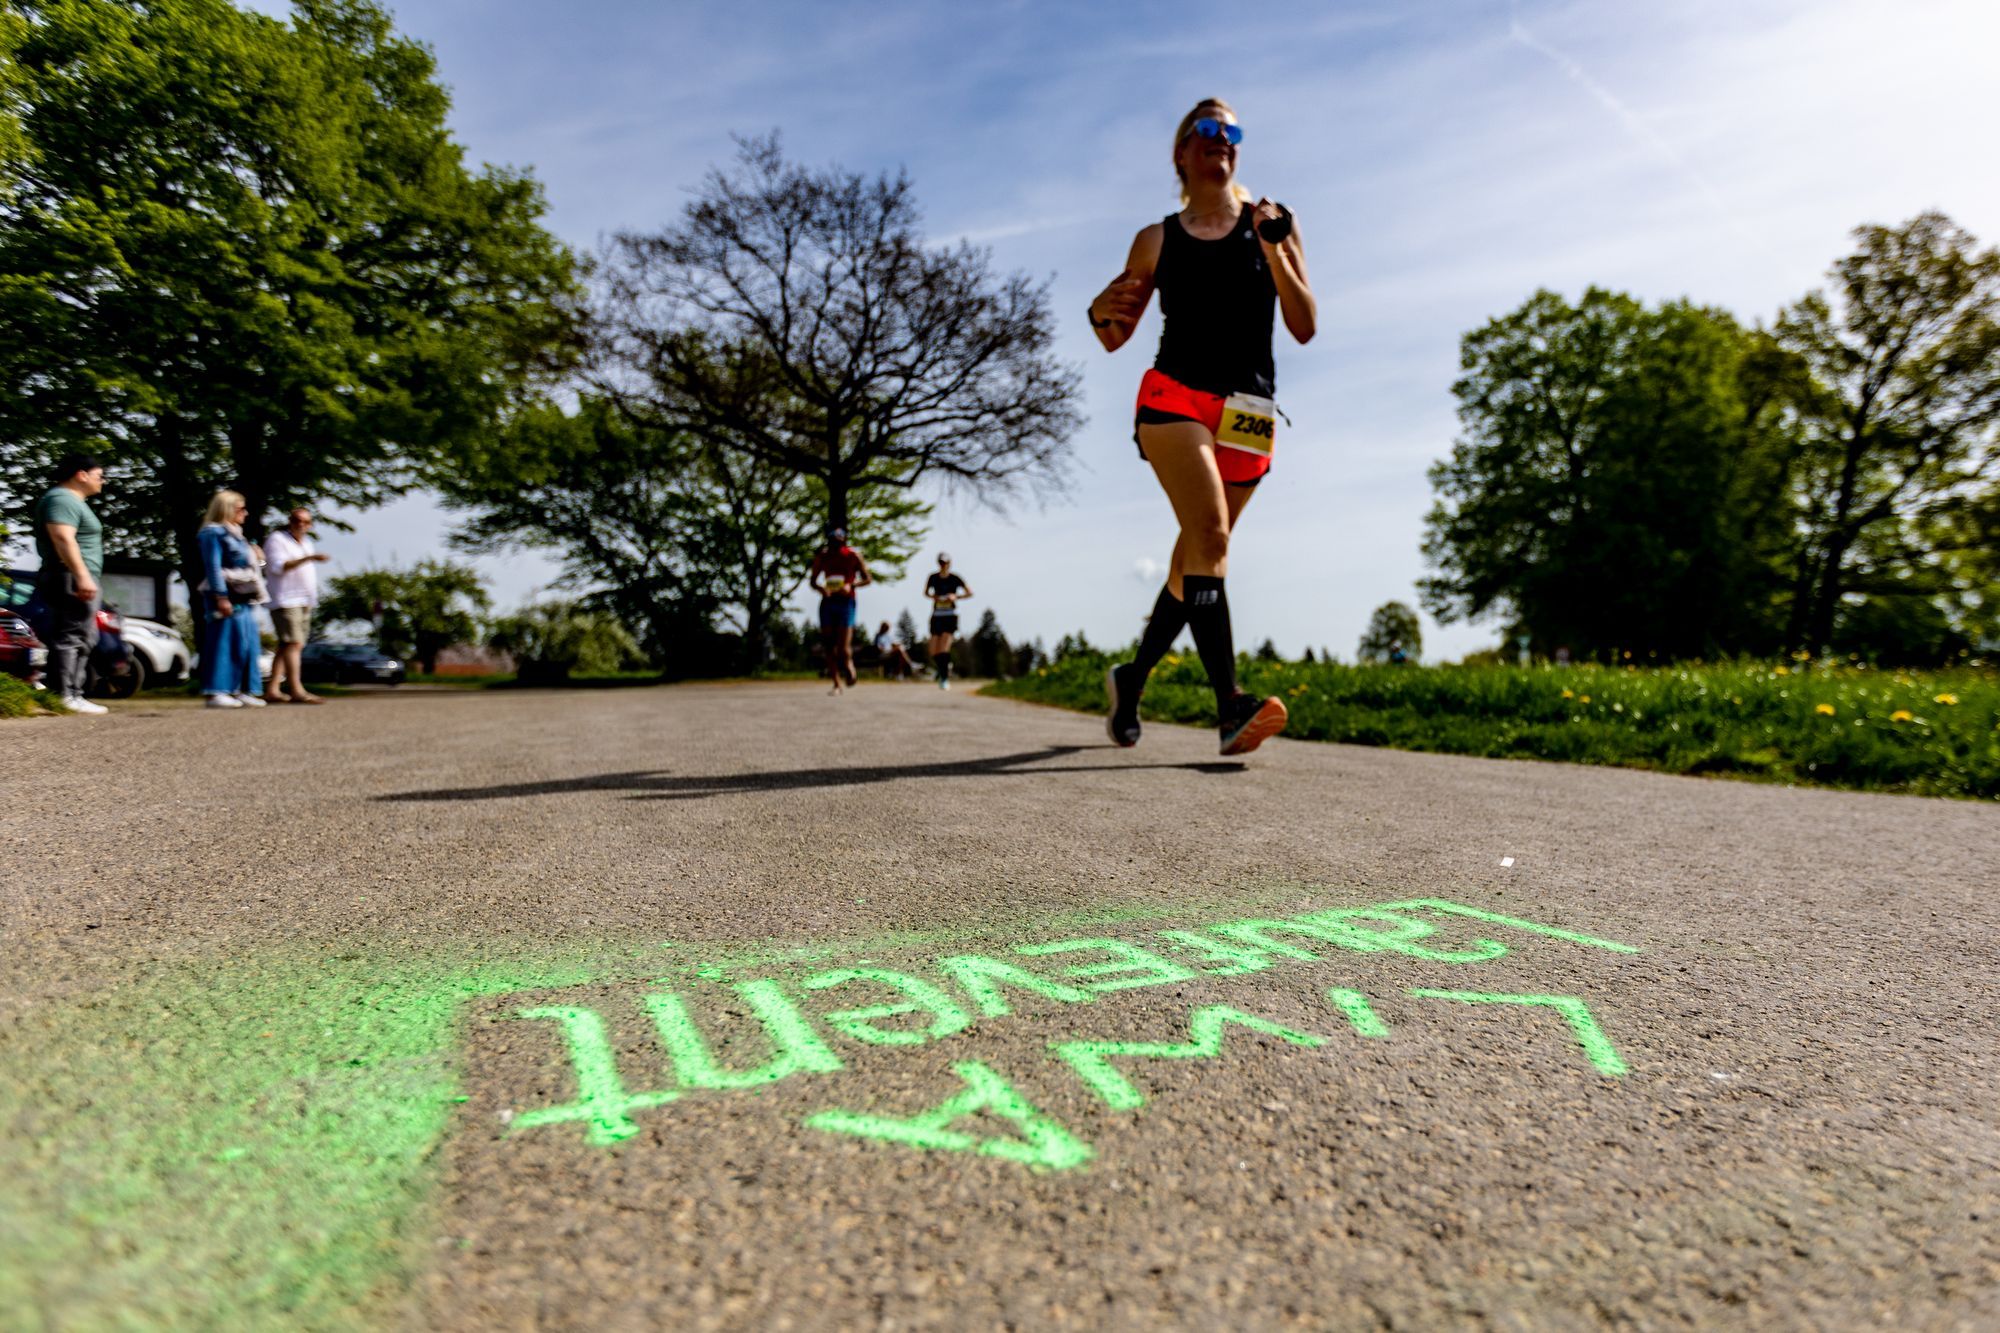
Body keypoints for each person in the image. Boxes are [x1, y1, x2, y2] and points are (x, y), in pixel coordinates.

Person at [1086, 97, 1316, 756]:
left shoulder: (1274, 222)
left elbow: (1303, 325)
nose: (1221, 138)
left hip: (1249, 410)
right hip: (1174, 396)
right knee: (1210, 535)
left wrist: (1276, 251)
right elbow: (1113, 335)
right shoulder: (1156, 239)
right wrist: (1097, 310)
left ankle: (1131, 680)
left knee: (1196, 560)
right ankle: (1231, 707)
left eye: (1231, 131)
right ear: (1182, 153)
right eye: (1206, 129)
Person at [31, 454, 109, 715]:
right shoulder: (61, 499)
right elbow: (62, 538)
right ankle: (64, 694)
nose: (103, 481)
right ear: (81, 474)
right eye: (100, 475)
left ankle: (74, 693)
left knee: (84, 636)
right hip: (69, 576)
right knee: (72, 635)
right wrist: (82, 575)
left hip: (76, 575)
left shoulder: (71, 501)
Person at [196, 490, 268, 708]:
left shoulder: (238, 534)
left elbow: (251, 567)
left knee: (247, 643)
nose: (245, 513)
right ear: (227, 509)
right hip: (226, 594)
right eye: (240, 509)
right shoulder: (213, 533)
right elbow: (213, 567)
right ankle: (216, 690)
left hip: (244, 595)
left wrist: (258, 558)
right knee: (224, 642)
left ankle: (242, 689)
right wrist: (221, 596)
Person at [262, 507, 330, 703]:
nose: (300, 524)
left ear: (310, 525)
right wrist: (309, 558)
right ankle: (296, 689)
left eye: (305, 522)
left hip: (304, 600)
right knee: (294, 644)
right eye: (296, 520)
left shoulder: (306, 542)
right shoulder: (277, 539)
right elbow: (278, 567)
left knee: (286, 646)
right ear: (289, 521)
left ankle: (273, 689)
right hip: (285, 599)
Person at [808, 527, 871, 695]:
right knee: (829, 645)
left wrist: (851, 585)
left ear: (843, 540)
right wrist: (821, 589)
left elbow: (867, 579)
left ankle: (849, 667)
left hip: (846, 602)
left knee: (843, 647)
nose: (835, 545)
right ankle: (836, 683)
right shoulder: (823, 556)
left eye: (838, 541)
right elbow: (813, 581)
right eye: (832, 541)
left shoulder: (853, 556)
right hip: (828, 602)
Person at [922, 553, 973, 690]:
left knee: (944, 647)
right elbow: (926, 593)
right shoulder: (933, 577)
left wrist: (955, 596)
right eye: (941, 563)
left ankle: (944, 678)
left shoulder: (955, 578)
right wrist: (935, 597)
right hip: (936, 614)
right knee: (933, 649)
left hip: (950, 615)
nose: (943, 565)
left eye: (945, 563)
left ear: (949, 563)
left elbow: (970, 592)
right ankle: (944, 666)